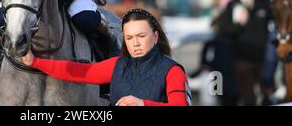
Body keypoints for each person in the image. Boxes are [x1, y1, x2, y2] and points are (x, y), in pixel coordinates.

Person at [20, 9, 191, 106]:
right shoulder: (117, 65)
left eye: (141, 36)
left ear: (155, 37)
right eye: (129, 38)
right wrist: (35, 62)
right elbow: (78, 72)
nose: (135, 43)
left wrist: (142, 104)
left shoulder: (172, 71)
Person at [218, 0, 273, 105]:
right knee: (248, 96)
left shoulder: (263, 1)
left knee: (265, 95)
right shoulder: (232, 5)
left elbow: (276, 21)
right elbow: (223, 29)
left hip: (262, 57)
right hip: (242, 57)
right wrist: (238, 24)